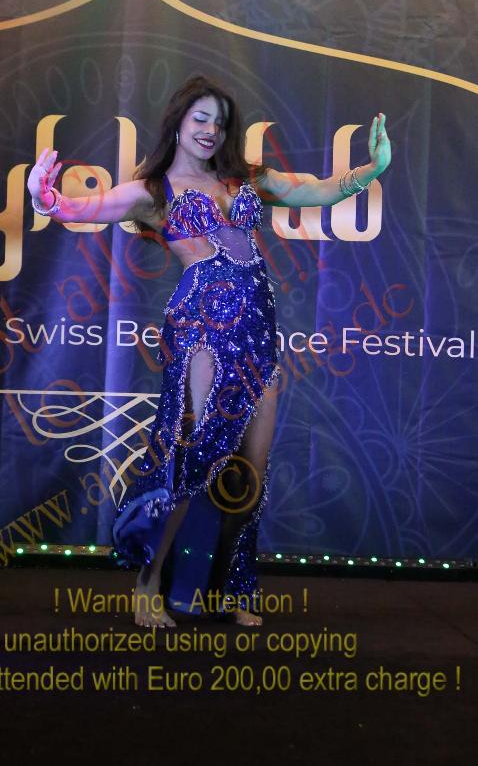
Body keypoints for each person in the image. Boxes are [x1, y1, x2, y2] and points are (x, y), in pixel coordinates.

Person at [27, 75, 391, 628]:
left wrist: (372, 169)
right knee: (196, 454)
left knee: (249, 470)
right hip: (202, 328)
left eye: (219, 122)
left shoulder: (245, 179)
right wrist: (44, 197)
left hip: (258, 331)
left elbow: (313, 191)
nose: (210, 130)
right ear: (178, 121)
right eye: (200, 118)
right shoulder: (152, 190)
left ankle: (232, 590)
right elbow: (83, 208)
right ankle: (148, 585)